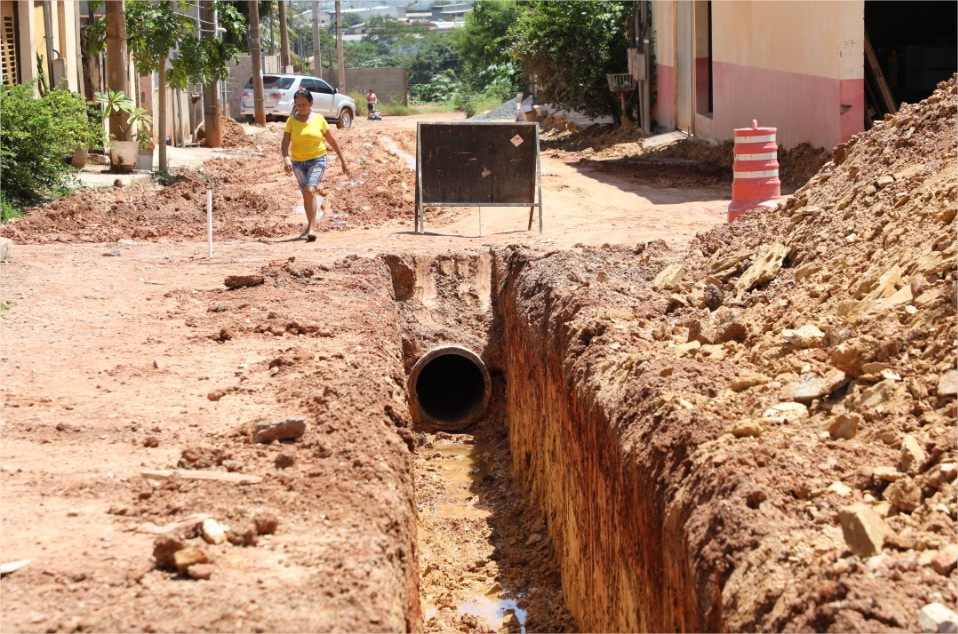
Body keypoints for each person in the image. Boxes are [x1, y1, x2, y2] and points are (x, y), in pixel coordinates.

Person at [281, 88, 350, 242]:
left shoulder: (319, 119)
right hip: (298, 162)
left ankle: (312, 228)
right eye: (298, 105)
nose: (301, 108)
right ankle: (309, 224)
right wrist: (286, 159)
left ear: (311, 103)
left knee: (310, 190)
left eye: (304, 105)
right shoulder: (291, 121)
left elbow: (332, 141)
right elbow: (285, 142)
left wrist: (343, 160)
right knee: (306, 194)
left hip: (317, 159)